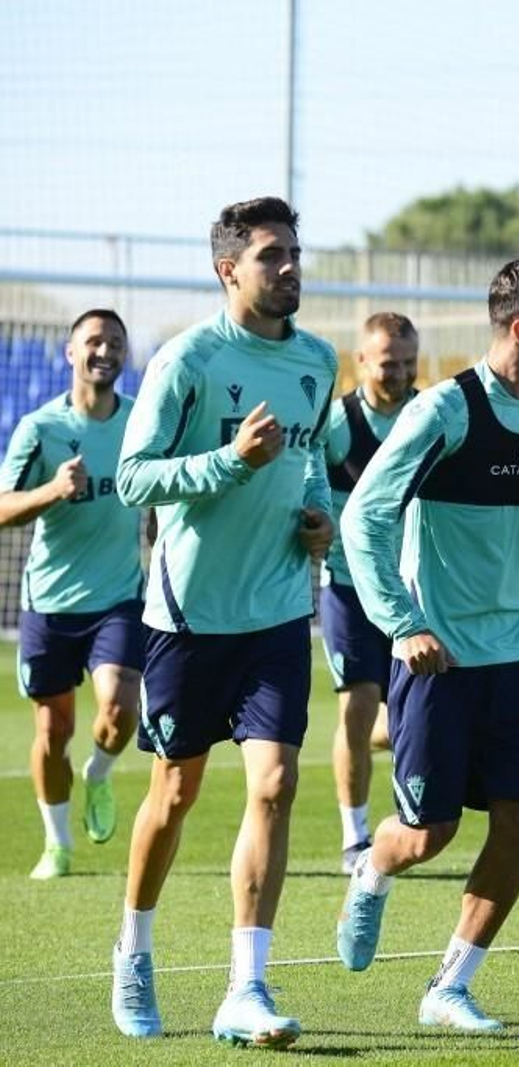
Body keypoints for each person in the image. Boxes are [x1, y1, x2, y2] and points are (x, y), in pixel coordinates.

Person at [334, 260, 519, 1034]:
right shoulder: (443, 413)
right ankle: (372, 870)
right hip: (439, 657)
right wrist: (403, 622)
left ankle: (450, 984)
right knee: (428, 832)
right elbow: (364, 520)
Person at [110, 196, 338, 1048]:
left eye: (293, 253)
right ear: (228, 269)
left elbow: (310, 464)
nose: (289, 268)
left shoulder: (319, 360)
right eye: (271, 255)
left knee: (275, 787)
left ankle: (247, 985)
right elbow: (134, 478)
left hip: (278, 610)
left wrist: (319, 518)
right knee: (174, 792)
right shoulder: (188, 361)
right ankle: (133, 946)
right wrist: (229, 461)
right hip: (187, 617)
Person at [0, 309, 144, 878]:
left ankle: (100, 775)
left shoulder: (139, 422)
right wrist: (54, 491)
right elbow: (4, 507)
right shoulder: (41, 428)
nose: (104, 351)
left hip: (118, 598)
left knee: (118, 708)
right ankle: (57, 843)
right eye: (93, 341)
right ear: (70, 352)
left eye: (114, 342)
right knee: (52, 730)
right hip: (51, 603)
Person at [321, 312, 419, 874]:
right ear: (361, 361)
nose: (401, 373)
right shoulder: (339, 422)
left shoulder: (428, 413)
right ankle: (355, 836)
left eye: (409, 362)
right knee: (357, 709)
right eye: (389, 363)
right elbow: (309, 477)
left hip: (412, 589)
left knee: (403, 718)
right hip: (349, 584)